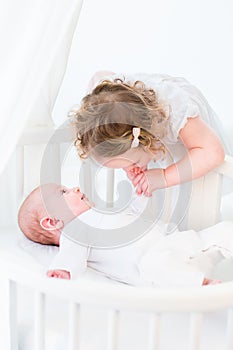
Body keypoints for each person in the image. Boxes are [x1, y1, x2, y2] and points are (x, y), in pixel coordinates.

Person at [70, 71, 231, 228]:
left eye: (132, 162)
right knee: (153, 192)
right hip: (139, 116)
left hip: (195, 138)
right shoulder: (105, 96)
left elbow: (212, 152)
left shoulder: (178, 113)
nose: (129, 169)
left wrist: (164, 177)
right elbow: (98, 75)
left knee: (190, 180)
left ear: (145, 140)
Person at [18, 183, 233, 287]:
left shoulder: (100, 213)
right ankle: (203, 285)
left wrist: (139, 197)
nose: (74, 188)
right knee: (156, 265)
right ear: (51, 222)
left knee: (220, 231)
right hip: (156, 261)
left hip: (173, 241)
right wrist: (61, 271)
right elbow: (70, 256)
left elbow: (132, 215)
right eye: (63, 193)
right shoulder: (75, 233)